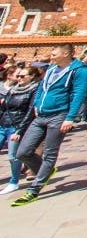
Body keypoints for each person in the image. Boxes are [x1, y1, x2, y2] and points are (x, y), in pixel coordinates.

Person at [9, 43, 87, 208]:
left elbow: (79, 93)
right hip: (41, 115)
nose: (51, 56)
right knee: (23, 151)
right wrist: (37, 106)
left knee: (50, 153)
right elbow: (41, 89)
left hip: (59, 115)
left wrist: (70, 117)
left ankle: (34, 189)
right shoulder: (52, 69)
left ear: (66, 53)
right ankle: (45, 171)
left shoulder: (79, 70)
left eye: (54, 54)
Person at [1, 66, 41, 195]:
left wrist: (19, 130)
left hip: (16, 126)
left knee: (13, 156)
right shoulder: (13, 89)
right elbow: (4, 108)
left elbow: (30, 112)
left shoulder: (34, 90)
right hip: (3, 124)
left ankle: (14, 182)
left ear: (32, 77)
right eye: (18, 76)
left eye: (22, 76)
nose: (19, 78)